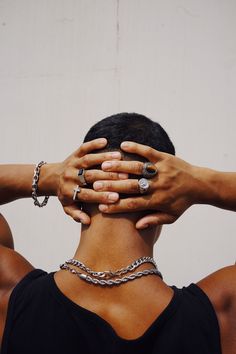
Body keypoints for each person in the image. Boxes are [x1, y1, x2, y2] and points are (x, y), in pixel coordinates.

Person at [0, 113, 234, 354]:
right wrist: (203, 183)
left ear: (76, 195)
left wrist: (48, 176)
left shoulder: (9, 295)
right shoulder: (223, 312)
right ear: (167, 203)